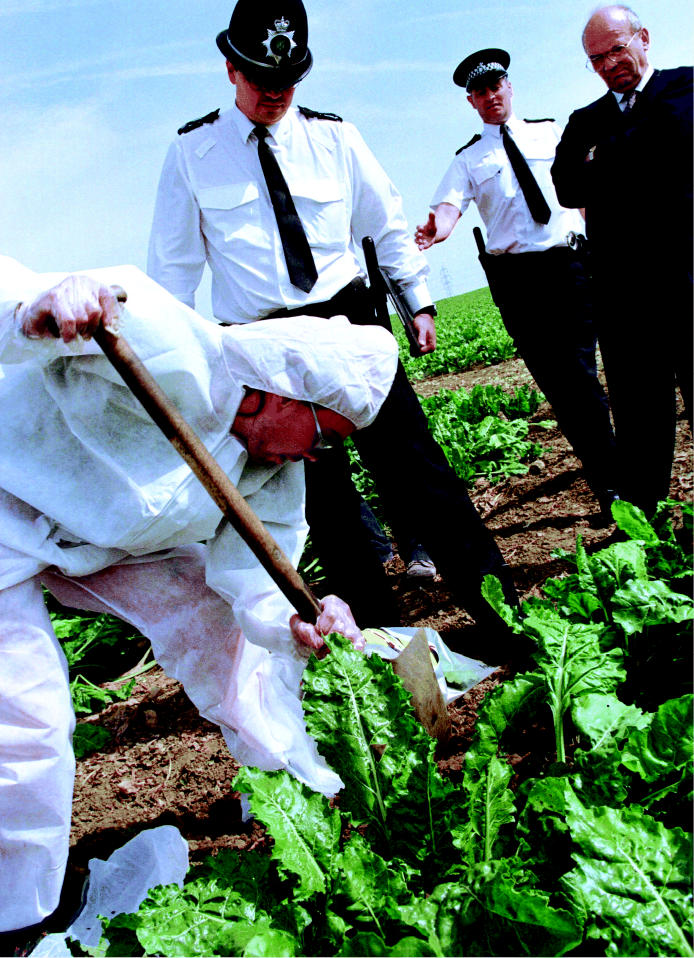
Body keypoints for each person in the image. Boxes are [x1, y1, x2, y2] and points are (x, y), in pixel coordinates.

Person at [0, 256, 399, 941]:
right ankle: (18, 916)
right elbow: (87, 297)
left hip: (101, 542)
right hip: (8, 513)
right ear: (286, 393)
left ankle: (288, 795)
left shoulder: (270, 479)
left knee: (224, 635)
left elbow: (255, 585)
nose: (315, 456)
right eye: (324, 436)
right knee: (28, 719)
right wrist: (39, 302)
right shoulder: (167, 343)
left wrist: (296, 624)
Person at [148, 0, 518, 632]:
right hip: (262, 348)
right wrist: (174, 372)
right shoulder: (191, 153)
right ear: (230, 68)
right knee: (325, 502)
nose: (275, 94)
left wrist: (418, 299)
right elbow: (173, 273)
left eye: (288, 82)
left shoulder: (335, 136)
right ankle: (374, 644)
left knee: (418, 471)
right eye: (261, 80)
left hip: (349, 327)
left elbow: (387, 222)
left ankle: (503, 618)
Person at [415, 48, 619, 521]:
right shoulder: (468, 159)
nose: (490, 97)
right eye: (480, 92)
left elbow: (586, 194)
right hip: (521, 284)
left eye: (496, 86)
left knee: (586, 376)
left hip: (571, 266)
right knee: (562, 385)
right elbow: (448, 207)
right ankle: (610, 477)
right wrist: (436, 228)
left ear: (509, 87)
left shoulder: (551, 133)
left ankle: (618, 480)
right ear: (472, 101)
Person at [551, 5, 693, 516]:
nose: (610, 64)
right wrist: (639, 151)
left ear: (644, 38)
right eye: (597, 58)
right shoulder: (582, 120)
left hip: (688, 278)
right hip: (623, 294)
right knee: (638, 415)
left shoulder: (686, 87)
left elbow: (680, 136)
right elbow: (567, 187)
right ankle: (644, 526)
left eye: (616, 49)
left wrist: (603, 159)